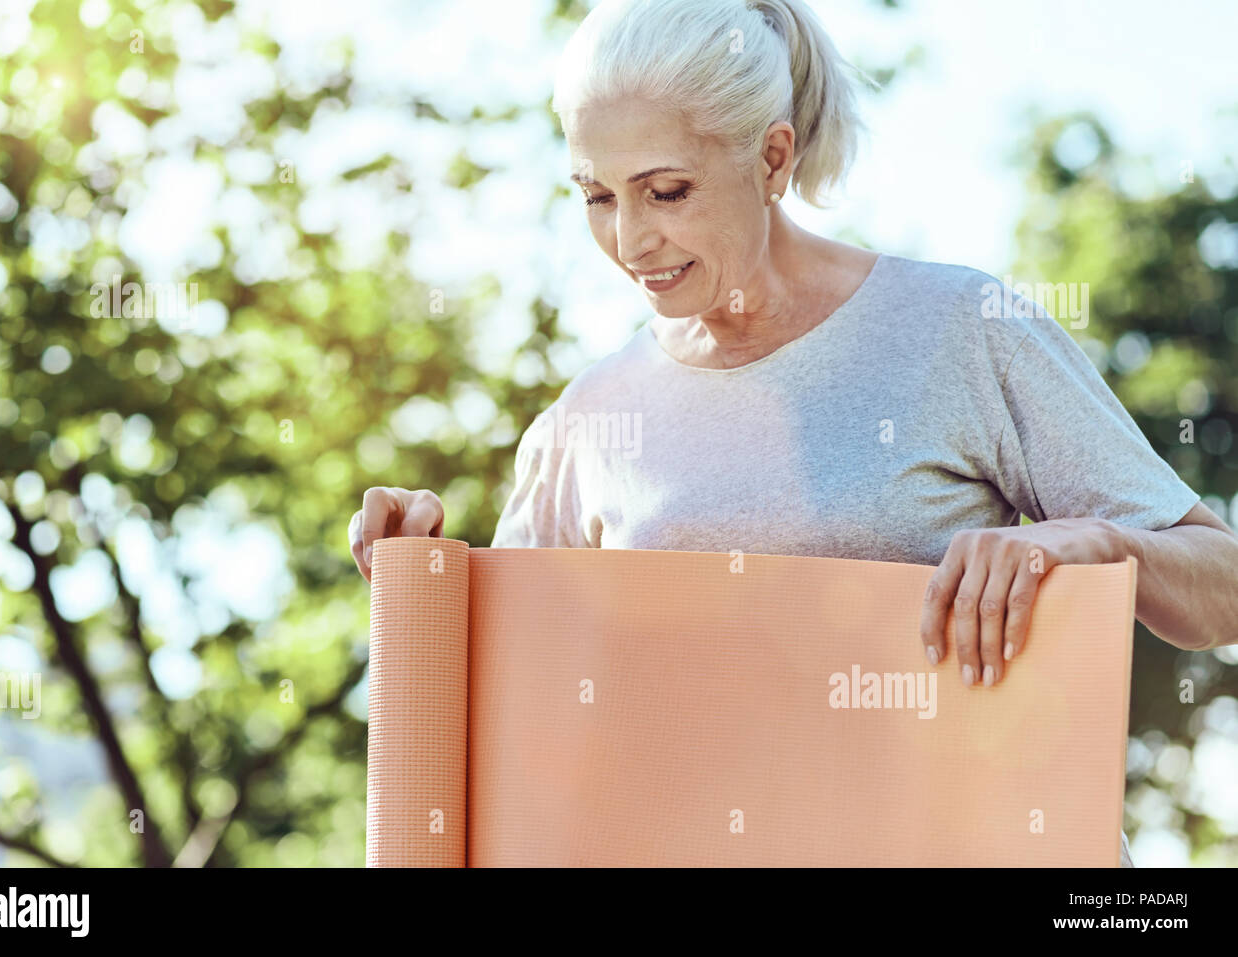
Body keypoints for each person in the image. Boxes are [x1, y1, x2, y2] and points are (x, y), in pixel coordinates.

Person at [351, 0, 1238, 869]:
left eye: (666, 191)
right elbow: (511, 740)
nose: (630, 239)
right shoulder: (587, 423)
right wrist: (423, 576)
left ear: (772, 157)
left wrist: (1092, 541)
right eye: (596, 196)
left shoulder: (963, 330)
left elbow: (1221, 588)